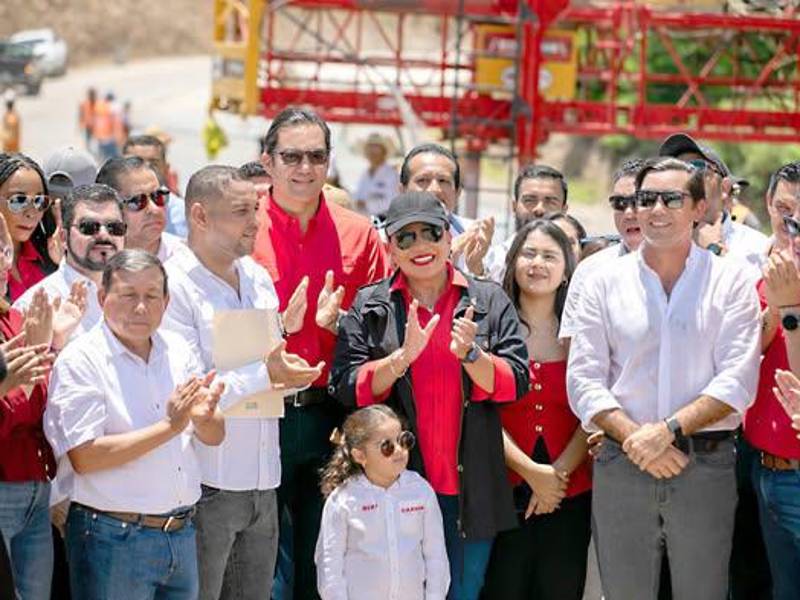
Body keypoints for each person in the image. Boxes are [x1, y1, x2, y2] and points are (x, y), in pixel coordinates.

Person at [567, 157, 761, 599]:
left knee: (702, 592)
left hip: (705, 464)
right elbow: (583, 380)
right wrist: (638, 439)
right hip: (622, 462)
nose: (654, 209)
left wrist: (668, 432)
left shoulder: (732, 281)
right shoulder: (602, 281)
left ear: (698, 208)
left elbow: (737, 380)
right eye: (645, 198)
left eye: (670, 198)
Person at [330, 191, 529, 600]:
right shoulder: (371, 304)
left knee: (463, 592)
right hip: (395, 485)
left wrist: (472, 355)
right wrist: (400, 360)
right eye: (406, 238)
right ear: (390, 248)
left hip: (469, 490)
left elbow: (516, 382)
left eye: (430, 233)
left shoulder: (487, 299)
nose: (420, 246)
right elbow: (347, 387)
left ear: (448, 238)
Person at [162, 165, 324, 600]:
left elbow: (265, 366)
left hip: (264, 480)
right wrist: (268, 374)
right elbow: (190, 389)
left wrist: (291, 376)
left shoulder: (254, 277)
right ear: (199, 216)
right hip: (206, 486)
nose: (256, 221)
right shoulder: (172, 287)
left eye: (256, 208)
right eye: (241, 211)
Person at [253, 106, 389, 600]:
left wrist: (342, 324)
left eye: (316, 156)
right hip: (257, 414)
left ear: (330, 161)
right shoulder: (243, 228)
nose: (304, 168)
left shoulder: (360, 234)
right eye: (291, 156)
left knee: (324, 561)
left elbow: (380, 336)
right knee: (260, 566)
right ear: (267, 161)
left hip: (330, 416)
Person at [45, 249, 225, 599]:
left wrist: (205, 419)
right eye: (128, 295)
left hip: (181, 532)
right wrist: (170, 427)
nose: (140, 307)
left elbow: (215, 434)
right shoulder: (81, 360)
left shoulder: (178, 349)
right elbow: (86, 457)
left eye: (151, 296)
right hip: (113, 537)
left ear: (166, 301)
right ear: (102, 297)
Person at [481, 219, 590, 600]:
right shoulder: (491, 326)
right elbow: (482, 411)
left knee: (561, 586)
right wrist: (532, 474)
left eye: (549, 256)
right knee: (503, 586)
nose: (538, 263)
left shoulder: (583, 329)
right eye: (529, 253)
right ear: (512, 262)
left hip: (571, 488)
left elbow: (592, 410)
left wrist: (555, 479)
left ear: (565, 271)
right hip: (505, 484)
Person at [315, 405, 450, 600]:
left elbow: (436, 555)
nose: (399, 451)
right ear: (360, 456)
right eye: (387, 446)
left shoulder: (421, 491)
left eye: (404, 440)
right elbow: (330, 565)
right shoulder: (343, 500)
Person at [742, 199, 800, 599]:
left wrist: (792, 311)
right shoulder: (770, 280)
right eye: (793, 224)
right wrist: (777, 308)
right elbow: (744, 359)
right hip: (768, 472)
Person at [0, 211, 58, 600]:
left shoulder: (19, 316)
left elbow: (41, 407)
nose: (3, 257)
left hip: (37, 485)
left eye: (4, 247)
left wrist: (51, 346)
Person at [658, 133, 769, 273]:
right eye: (676, 169)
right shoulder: (657, 245)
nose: (684, 177)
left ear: (724, 188)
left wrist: (713, 252)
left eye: (696, 167)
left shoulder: (756, 248)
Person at [560, 158, 644, 340]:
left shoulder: (687, 266)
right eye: (620, 203)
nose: (629, 213)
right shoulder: (590, 271)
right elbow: (573, 345)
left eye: (638, 201)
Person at [399, 143, 494, 277]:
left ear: (458, 192)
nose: (434, 190)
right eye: (423, 180)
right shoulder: (381, 239)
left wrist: (477, 269)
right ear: (402, 190)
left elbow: (493, 293)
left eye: (443, 181)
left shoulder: (477, 239)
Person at [485, 164, 569, 283]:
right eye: (530, 200)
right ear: (514, 207)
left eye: (550, 201)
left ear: (564, 210)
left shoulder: (576, 263)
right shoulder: (493, 262)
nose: (539, 209)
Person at [96, 156, 185, 261]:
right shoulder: (91, 266)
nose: (154, 209)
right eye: (137, 201)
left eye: (158, 196)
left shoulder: (188, 260)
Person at [0, 153, 58, 301]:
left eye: (39, 201)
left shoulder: (49, 257)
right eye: (19, 200)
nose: (32, 213)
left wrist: (63, 265)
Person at [123, 133, 187, 238]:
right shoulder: (109, 209)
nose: (146, 169)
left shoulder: (183, 214)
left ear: (166, 168)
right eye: (137, 162)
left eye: (153, 164)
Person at [354, 132, 399, 221]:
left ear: (384, 151)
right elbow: (357, 197)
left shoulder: (392, 174)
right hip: (365, 221)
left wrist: (366, 203)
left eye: (376, 147)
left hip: (385, 221)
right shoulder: (364, 174)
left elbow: (393, 202)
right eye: (369, 147)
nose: (372, 151)